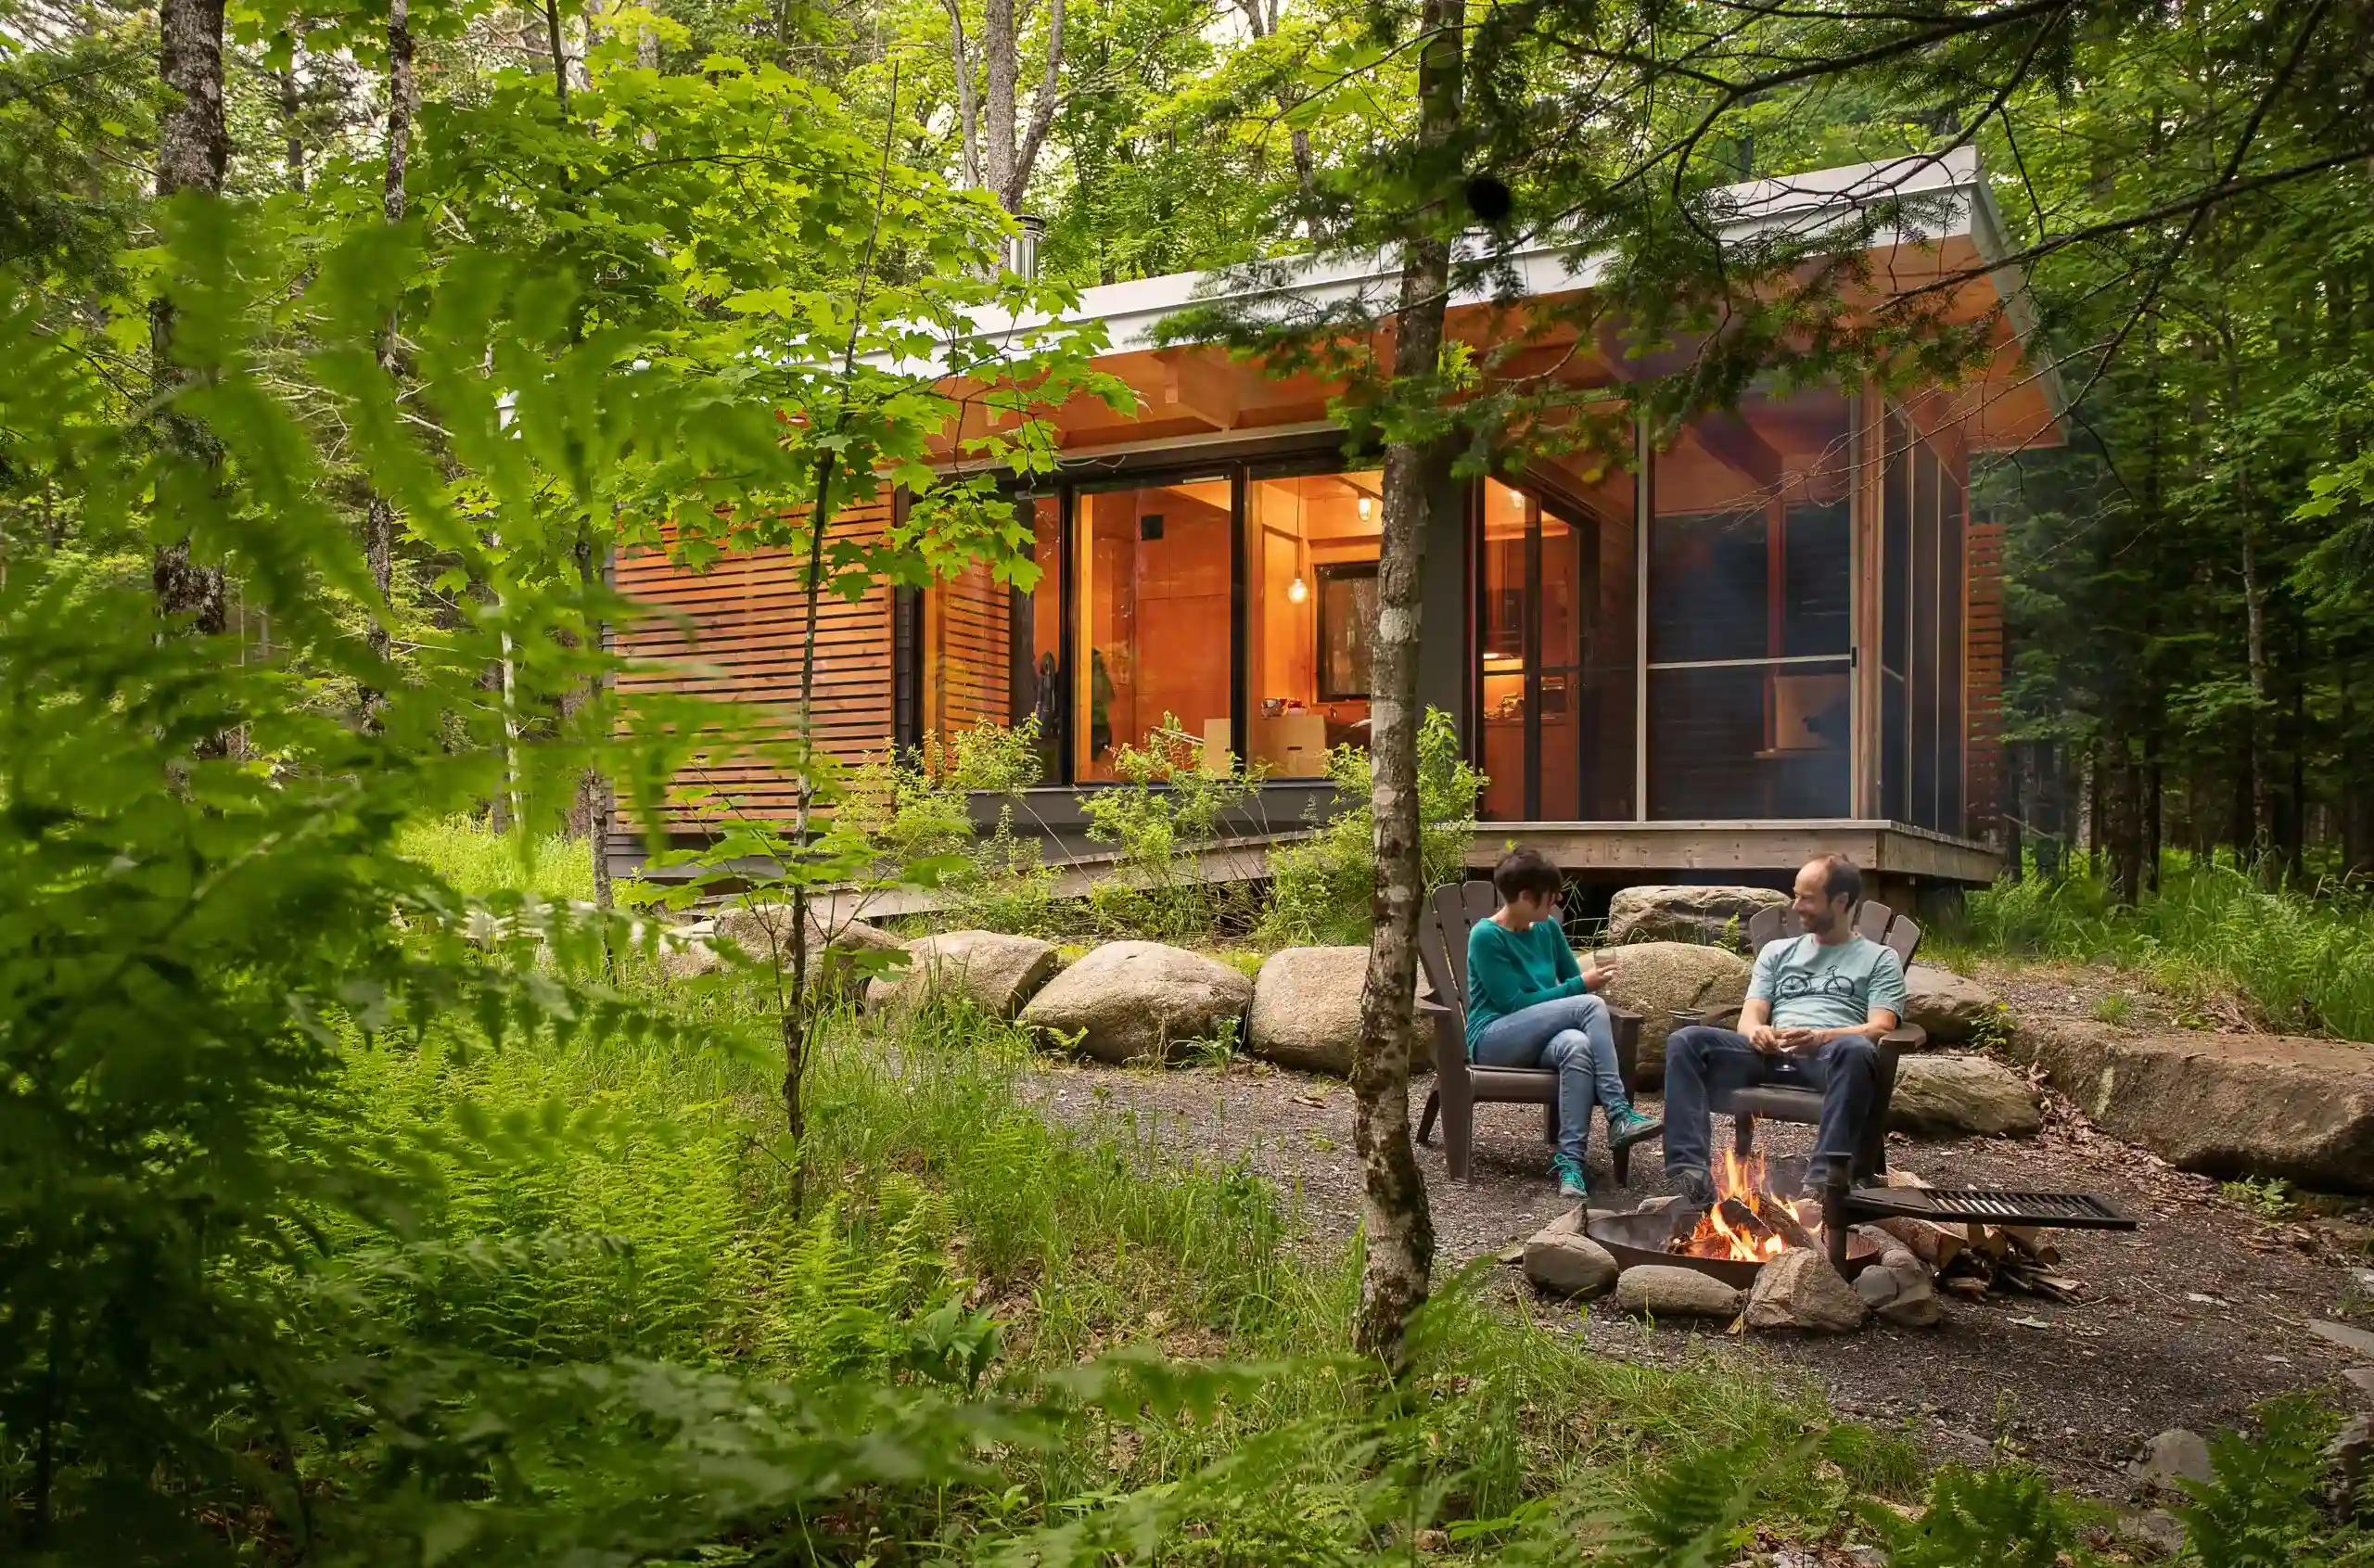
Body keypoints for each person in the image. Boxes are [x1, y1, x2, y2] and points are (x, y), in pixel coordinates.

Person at [1661, 854, 1908, 1208]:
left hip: (1830, 1059)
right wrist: (1756, 1032)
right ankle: (1689, 1174)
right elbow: (1750, 1016)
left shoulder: (1879, 959)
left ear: (1840, 901)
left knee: (1857, 1050)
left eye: (1807, 898)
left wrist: (1821, 1037)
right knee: (1686, 1041)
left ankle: (1822, 1182)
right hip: (1768, 1054)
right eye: (1796, 895)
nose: (1796, 906)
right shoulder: (1777, 952)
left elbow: (1881, 1026)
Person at [1466, 848, 1665, 1199]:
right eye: (1551, 895)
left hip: (1542, 1039)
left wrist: (1588, 983)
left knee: (1577, 1044)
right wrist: (1581, 987)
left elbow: (1573, 985)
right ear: (1525, 897)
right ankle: (1619, 1112)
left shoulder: (1548, 929)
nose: (1557, 901)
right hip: (1495, 1038)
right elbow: (1514, 1004)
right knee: (1589, 1006)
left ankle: (1570, 1165)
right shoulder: (1486, 936)